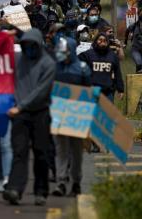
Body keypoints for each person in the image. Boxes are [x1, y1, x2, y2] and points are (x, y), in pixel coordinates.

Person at [3, 29, 56, 206]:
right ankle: (14, 189)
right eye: (25, 45)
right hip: (20, 114)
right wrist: (3, 38)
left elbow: (41, 91)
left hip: (40, 112)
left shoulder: (48, 64)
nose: (29, 49)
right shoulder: (18, 60)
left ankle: (41, 191)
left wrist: (21, 106)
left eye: (32, 45)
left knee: (41, 153)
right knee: (19, 151)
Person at [51, 37, 91, 198]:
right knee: (61, 150)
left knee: (76, 152)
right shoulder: (55, 68)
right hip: (59, 112)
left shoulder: (82, 69)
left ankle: (76, 182)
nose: (61, 54)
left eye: (64, 52)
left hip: (77, 113)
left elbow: (88, 91)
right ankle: (61, 181)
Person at [79, 33, 124, 103]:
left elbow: (117, 73)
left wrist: (120, 89)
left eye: (105, 40)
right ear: (96, 41)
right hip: (91, 91)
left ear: (107, 42)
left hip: (108, 92)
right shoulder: (87, 55)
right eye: (100, 39)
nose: (102, 42)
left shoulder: (112, 56)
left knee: (107, 113)